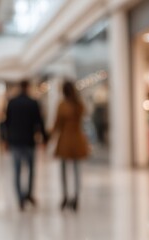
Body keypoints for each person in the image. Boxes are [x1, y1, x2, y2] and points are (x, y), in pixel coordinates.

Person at [4, 80, 48, 211]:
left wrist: (6, 140)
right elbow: (39, 122)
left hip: (16, 141)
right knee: (30, 170)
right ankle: (28, 194)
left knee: (17, 170)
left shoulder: (12, 102)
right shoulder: (32, 102)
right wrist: (44, 138)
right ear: (28, 87)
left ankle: (20, 198)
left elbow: (6, 123)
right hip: (29, 141)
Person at [50, 81, 90, 211]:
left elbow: (57, 124)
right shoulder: (78, 104)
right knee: (76, 171)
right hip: (77, 138)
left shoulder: (62, 105)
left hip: (66, 140)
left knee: (64, 170)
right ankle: (76, 196)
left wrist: (49, 138)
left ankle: (65, 195)